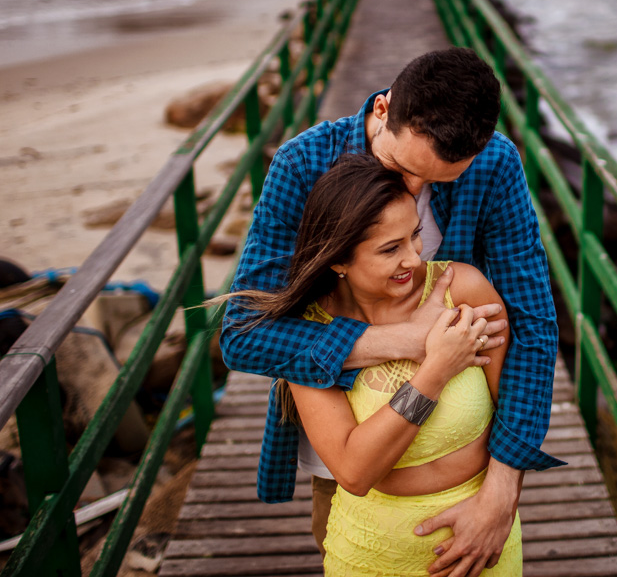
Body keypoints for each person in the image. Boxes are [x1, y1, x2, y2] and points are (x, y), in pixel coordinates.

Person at [221, 48, 563, 576]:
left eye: (439, 182)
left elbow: (533, 327)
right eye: (401, 168)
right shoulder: (302, 163)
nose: (413, 192)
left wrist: (503, 488)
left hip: (467, 443)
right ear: (382, 109)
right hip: (347, 436)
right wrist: (409, 342)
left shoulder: (495, 163)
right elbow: (244, 333)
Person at [223, 154, 521, 575]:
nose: (414, 259)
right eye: (390, 249)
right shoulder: (311, 336)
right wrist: (434, 371)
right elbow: (354, 471)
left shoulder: (464, 288)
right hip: (373, 551)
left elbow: (516, 404)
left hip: (484, 540)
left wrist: (500, 505)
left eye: (415, 235)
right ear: (338, 260)